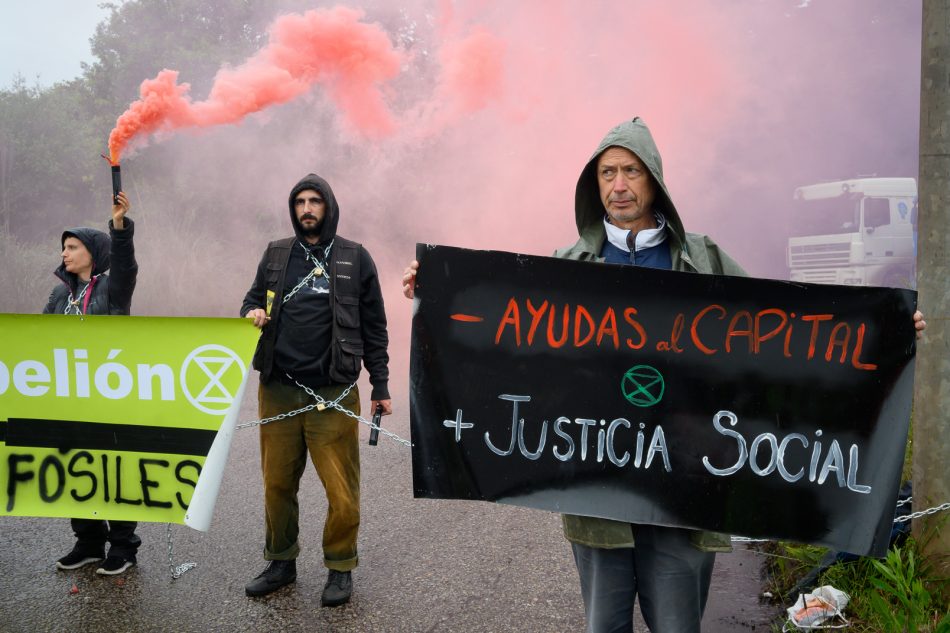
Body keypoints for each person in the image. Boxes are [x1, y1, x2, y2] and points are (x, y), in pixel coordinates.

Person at [402, 117, 928, 632]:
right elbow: (506, 344)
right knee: (604, 621)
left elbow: (786, 336)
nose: (619, 185)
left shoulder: (702, 260)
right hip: (595, 480)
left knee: (678, 621)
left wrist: (885, 336)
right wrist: (437, 297)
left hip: (687, 479)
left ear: (654, 180)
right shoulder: (568, 264)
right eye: (607, 174)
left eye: (631, 171)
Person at [240, 173, 392, 607]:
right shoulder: (275, 255)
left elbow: (375, 327)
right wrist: (251, 310)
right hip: (279, 389)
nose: (307, 209)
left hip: (335, 392)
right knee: (276, 484)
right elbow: (250, 298)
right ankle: (280, 562)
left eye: (315, 202)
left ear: (329, 207)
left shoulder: (355, 257)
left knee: (341, 489)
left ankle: (340, 567)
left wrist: (380, 384)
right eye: (300, 202)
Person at [48, 191, 140, 576]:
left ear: (92, 251)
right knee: (76, 469)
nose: (65, 254)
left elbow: (126, 264)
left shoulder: (112, 289)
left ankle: (122, 548)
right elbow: (40, 342)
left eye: (72, 247)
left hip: (109, 398)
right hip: (71, 398)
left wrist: (119, 225)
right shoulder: (57, 294)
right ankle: (87, 542)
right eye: (64, 248)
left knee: (113, 470)